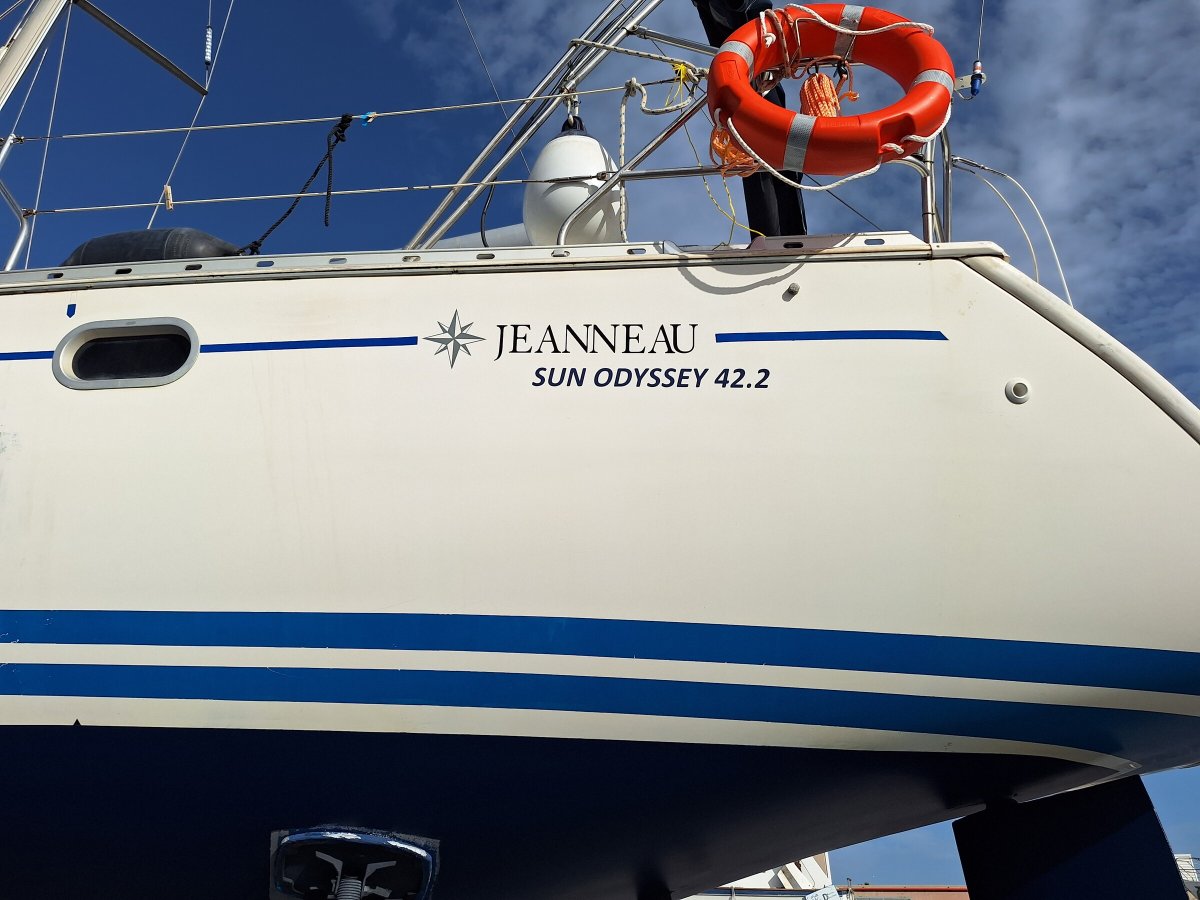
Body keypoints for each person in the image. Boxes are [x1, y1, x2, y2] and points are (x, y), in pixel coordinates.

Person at [693, 0, 808, 237]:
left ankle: (783, 235)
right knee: (756, 144)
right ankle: (781, 236)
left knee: (769, 143)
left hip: (751, 63)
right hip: (743, 66)